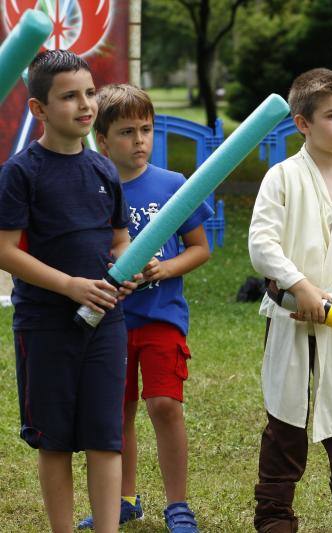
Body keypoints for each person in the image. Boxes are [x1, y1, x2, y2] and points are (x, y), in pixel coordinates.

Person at [0, 50, 138, 533]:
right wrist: (69, 286)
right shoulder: (21, 173)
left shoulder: (103, 171)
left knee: (106, 436)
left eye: (88, 93)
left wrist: (130, 267)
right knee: (54, 440)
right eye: (69, 97)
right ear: (38, 109)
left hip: (106, 325)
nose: (85, 105)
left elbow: (119, 241)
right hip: (45, 326)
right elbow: (6, 251)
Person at [75, 84, 213, 532]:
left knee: (163, 404)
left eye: (146, 130)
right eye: (127, 131)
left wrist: (163, 269)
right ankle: (124, 499)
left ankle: (178, 505)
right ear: (102, 139)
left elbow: (199, 249)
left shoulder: (173, 185)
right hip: (110, 320)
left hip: (161, 318)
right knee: (118, 410)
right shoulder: (91, 187)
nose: (139, 140)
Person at [248, 68, 332, 533]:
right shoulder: (280, 178)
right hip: (288, 317)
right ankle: (274, 516)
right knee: (285, 422)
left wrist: (331, 300)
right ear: (302, 123)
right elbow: (263, 244)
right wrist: (299, 286)